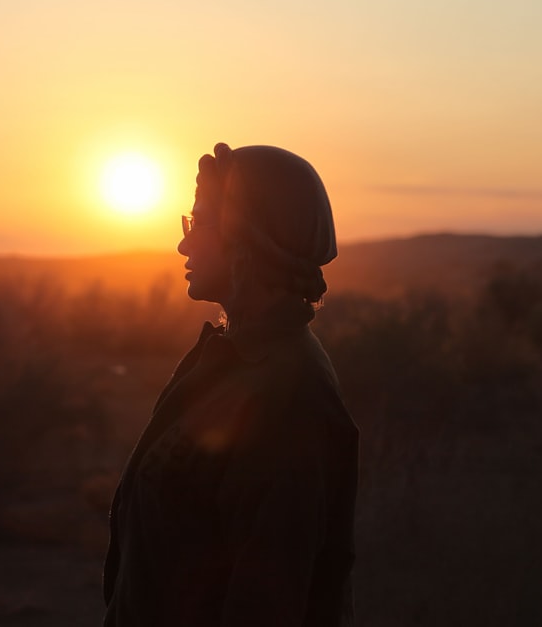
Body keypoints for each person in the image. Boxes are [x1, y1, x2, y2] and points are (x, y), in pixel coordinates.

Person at [103, 143, 359, 626]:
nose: (184, 243)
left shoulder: (286, 394)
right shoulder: (231, 358)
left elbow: (268, 599)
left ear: (248, 239)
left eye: (200, 224)